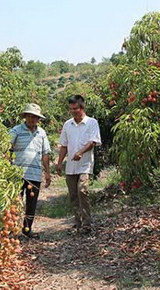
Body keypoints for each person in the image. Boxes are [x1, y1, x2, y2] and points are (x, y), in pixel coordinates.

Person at [56, 95, 101, 234]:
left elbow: (93, 142)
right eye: (71, 109)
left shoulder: (92, 123)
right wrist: (59, 163)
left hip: (84, 165)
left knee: (82, 190)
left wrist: (81, 152)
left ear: (82, 108)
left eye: (75, 108)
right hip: (70, 167)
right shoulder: (67, 125)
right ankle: (78, 222)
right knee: (73, 195)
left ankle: (87, 223)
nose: (73, 111)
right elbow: (64, 145)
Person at [9, 103, 51, 239]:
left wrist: (47, 172)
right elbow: (6, 146)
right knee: (15, 202)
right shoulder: (16, 130)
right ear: (25, 116)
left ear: (38, 119)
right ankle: (11, 230)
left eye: (35, 117)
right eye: (30, 116)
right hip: (17, 174)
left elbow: (45, 154)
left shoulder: (42, 133)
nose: (32, 119)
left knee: (31, 204)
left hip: (34, 174)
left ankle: (27, 229)